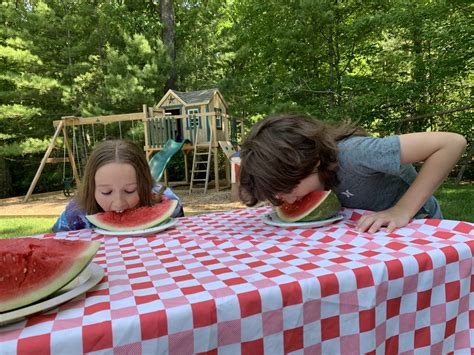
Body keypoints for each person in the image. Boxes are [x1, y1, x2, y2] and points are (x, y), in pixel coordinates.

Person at [239, 112, 466, 233]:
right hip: (376, 233)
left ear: (313, 162)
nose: (284, 201)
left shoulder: (355, 154)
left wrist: (402, 210)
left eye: (288, 189)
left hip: (420, 226)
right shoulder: (309, 177)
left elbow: (451, 143)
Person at [52, 140, 184, 232]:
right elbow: (57, 245)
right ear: (91, 188)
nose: (119, 204)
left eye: (130, 190)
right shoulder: (75, 214)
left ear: (145, 184)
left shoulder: (169, 201)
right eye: (106, 192)